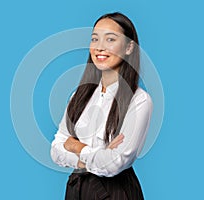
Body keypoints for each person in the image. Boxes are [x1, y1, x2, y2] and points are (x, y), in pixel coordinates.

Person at [50, 12, 153, 200]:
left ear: (129, 47)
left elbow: (114, 164)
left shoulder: (138, 100)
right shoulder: (79, 96)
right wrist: (99, 155)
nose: (100, 47)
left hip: (115, 192)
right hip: (77, 189)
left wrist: (76, 146)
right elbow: (56, 150)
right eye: (95, 39)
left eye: (110, 39)